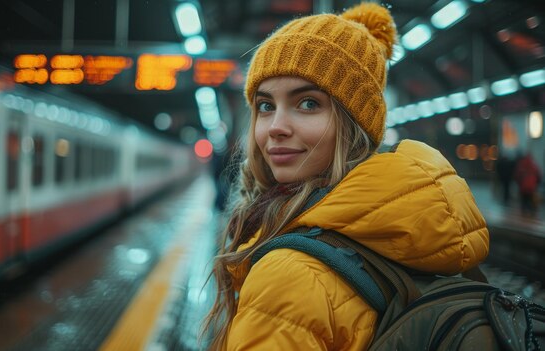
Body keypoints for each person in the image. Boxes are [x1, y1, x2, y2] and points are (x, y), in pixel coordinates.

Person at [202, 3, 490, 350]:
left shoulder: (289, 275)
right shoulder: (418, 233)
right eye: (265, 106)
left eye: (308, 103)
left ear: (354, 125)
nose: (275, 127)